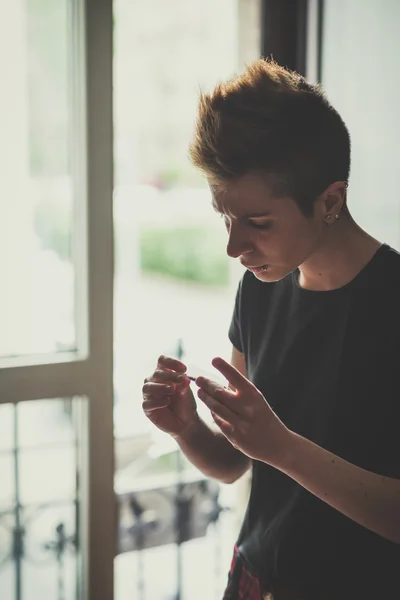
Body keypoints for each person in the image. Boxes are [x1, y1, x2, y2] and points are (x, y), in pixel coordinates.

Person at [141, 59, 400, 600]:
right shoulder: (260, 287)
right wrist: (187, 428)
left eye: (258, 224)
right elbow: (237, 463)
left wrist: (282, 447)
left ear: (330, 201)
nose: (234, 248)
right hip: (256, 577)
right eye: (225, 218)